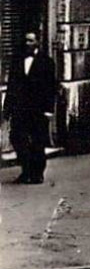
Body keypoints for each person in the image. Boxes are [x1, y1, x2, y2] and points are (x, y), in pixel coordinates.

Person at [4, 33, 57, 184]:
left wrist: (48, 109)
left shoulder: (46, 62)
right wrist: (7, 109)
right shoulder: (17, 61)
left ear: (37, 42)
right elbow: (11, 86)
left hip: (38, 108)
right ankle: (26, 169)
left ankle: (37, 172)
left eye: (31, 40)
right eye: (26, 40)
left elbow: (50, 87)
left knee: (38, 140)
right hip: (20, 108)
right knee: (17, 137)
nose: (28, 43)